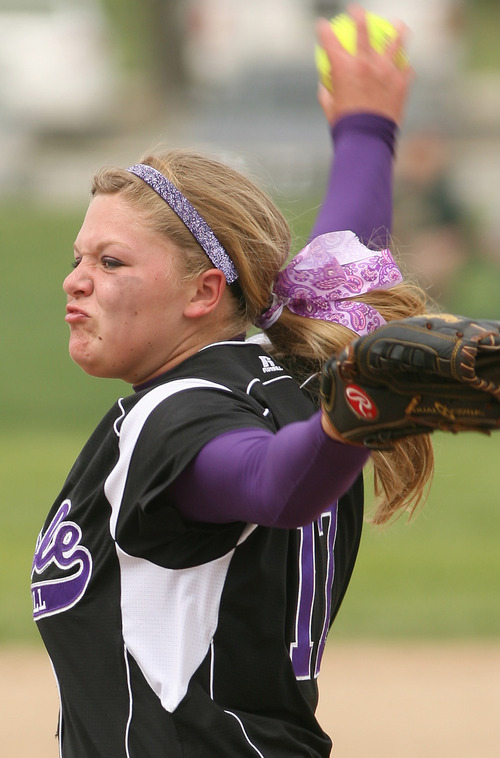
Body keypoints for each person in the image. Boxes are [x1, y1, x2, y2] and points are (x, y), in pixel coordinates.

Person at [31, 8, 428, 757]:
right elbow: (351, 252)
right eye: (80, 256)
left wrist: (363, 409)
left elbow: (275, 483)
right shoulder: (311, 373)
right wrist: (367, 127)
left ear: (204, 293)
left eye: (110, 262)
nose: (75, 282)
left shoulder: (174, 414)